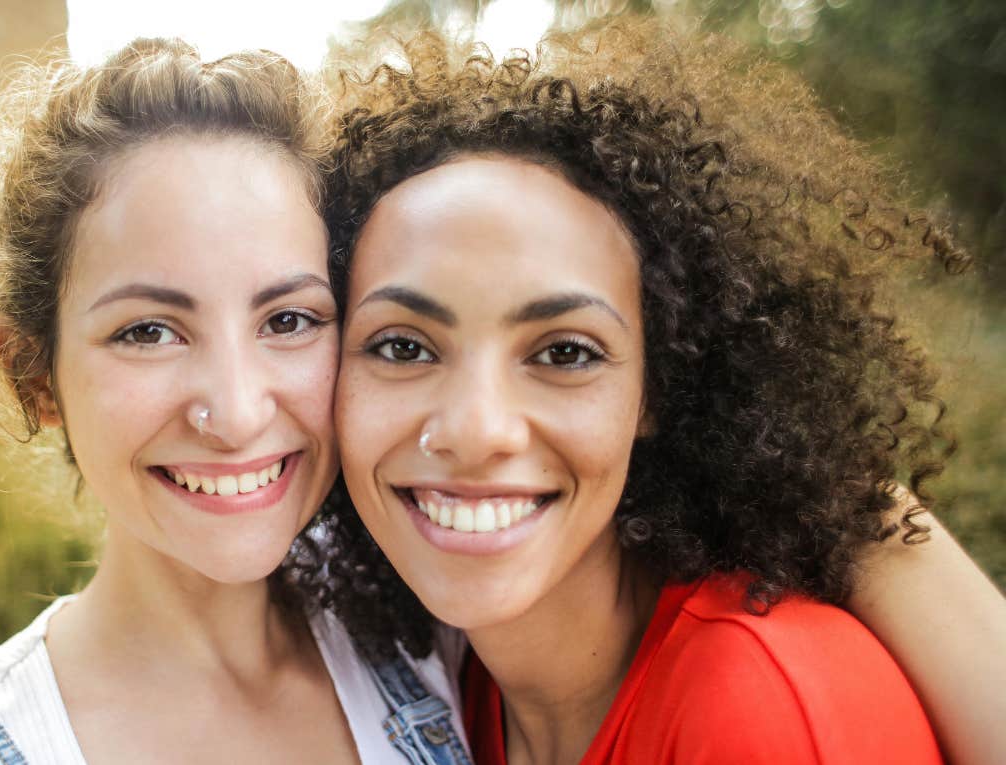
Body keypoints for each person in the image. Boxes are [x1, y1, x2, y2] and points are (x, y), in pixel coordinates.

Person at [321, 18, 1002, 765]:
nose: (477, 428)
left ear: (658, 388)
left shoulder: (755, 710)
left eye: (565, 352)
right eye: (402, 346)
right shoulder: (444, 681)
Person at [0, 39, 468, 765]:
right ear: (34, 375)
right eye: (149, 331)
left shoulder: (446, 647)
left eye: (287, 320)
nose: (237, 413)